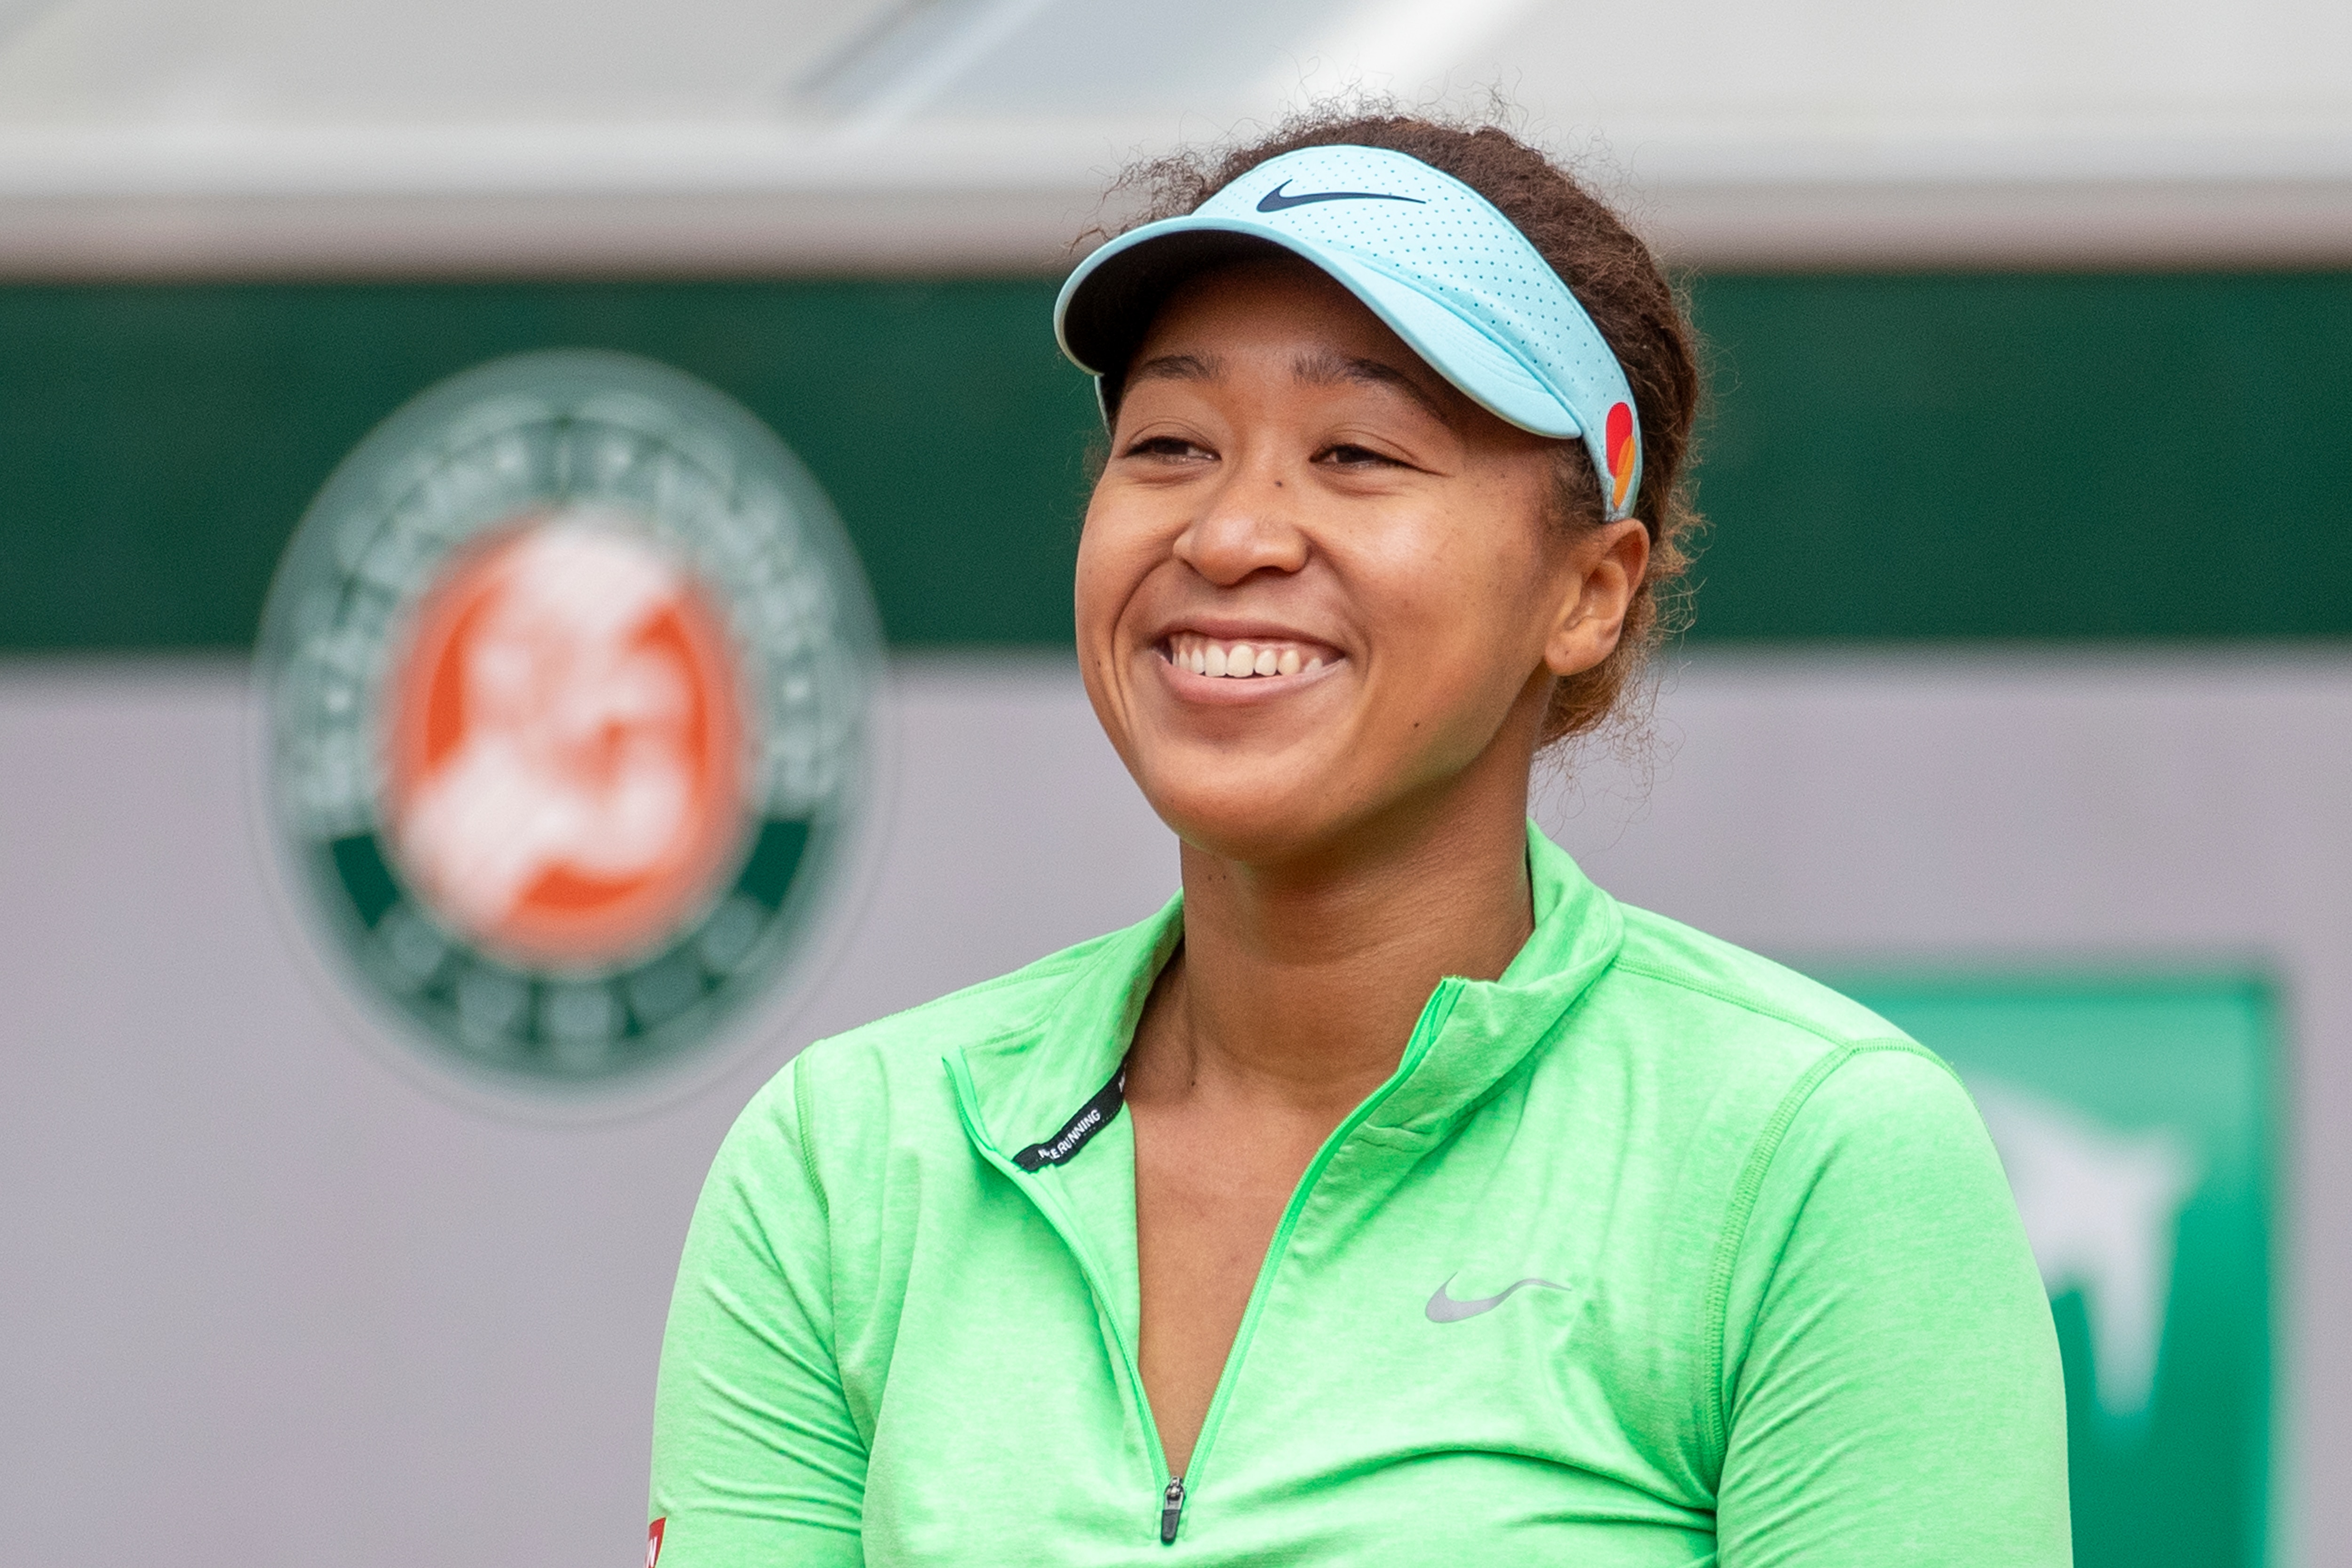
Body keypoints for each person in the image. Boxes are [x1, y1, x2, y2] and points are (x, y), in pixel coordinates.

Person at [647, 111, 2070, 1566]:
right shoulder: (848, 1158)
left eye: (1356, 453)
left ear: (1589, 591)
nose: (1231, 534)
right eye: (1171, 444)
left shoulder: (1813, 1158)